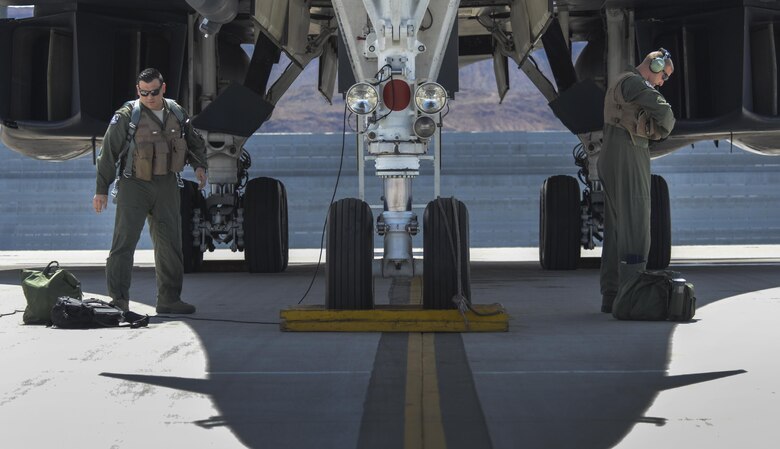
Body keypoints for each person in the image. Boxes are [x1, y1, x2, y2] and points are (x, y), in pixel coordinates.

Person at [92, 68, 208, 314]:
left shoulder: (176, 112)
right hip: (134, 184)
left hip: (166, 183)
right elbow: (108, 154)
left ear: (163, 88)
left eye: (154, 92)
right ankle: (119, 300)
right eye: (144, 93)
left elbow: (193, 141)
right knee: (124, 244)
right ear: (138, 91)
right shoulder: (126, 116)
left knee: (170, 244)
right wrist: (101, 189)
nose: (149, 97)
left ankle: (169, 299)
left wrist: (200, 167)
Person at [599, 49, 676, 313]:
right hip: (629, 154)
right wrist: (659, 129)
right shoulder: (635, 83)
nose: (662, 82)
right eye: (663, 75)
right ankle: (632, 297)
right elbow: (666, 117)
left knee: (616, 230)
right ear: (654, 66)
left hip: (613, 153)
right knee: (636, 224)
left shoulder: (622, 81)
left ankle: (612, 296)